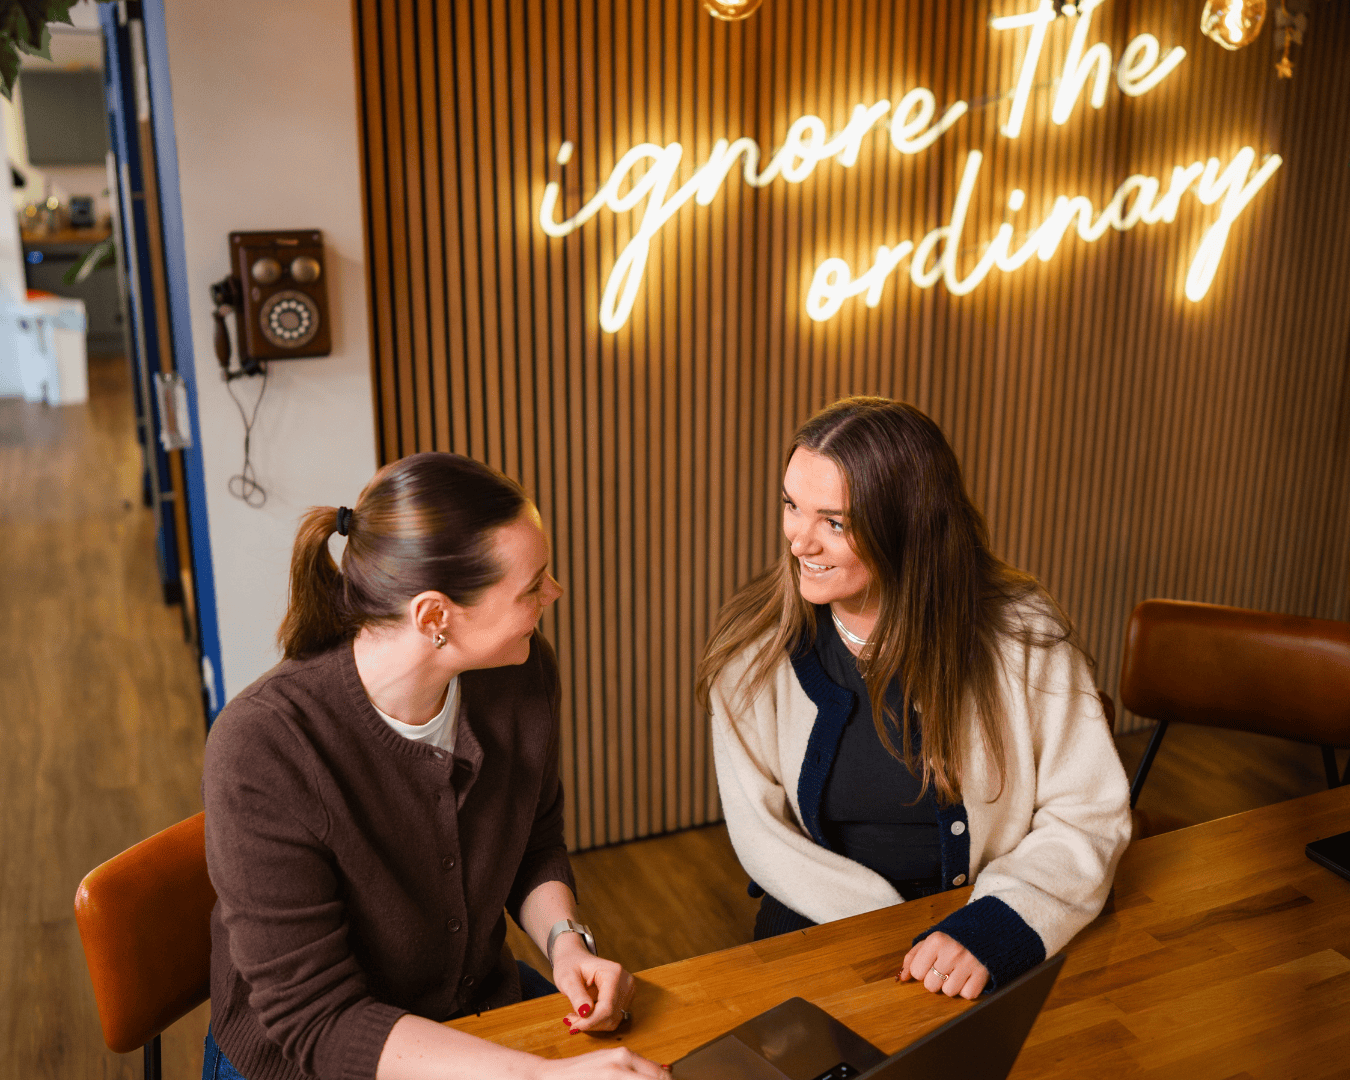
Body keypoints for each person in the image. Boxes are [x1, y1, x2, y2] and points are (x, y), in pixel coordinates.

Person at [202, 452, 667, 1080]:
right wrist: (536, 1077)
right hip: (315, 1058)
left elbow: (533, 838)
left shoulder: (521, 674)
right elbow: (317, 1021)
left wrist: (564, 942)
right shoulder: (264, 746)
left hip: (472, 1014)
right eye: (532, 586)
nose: (553, 593)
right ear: (434, 616)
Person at [698, 397, 1131, 1001]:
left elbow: (1087, 813)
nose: (799, 542)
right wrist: (894, 931)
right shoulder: (750, 654)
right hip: (821, 929)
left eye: (835, 523)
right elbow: (763, 838)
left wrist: (995, 925)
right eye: (791, 506)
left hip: (988, 924)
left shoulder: (1022, 633)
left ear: (910, 525)